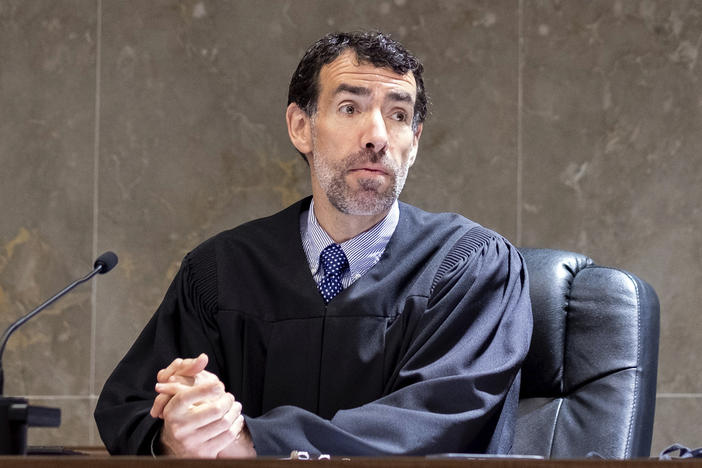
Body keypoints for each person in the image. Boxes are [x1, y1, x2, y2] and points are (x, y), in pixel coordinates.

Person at [95, 30, 533, 458]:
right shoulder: (221, 271)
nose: (377, 135)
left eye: (399, 115)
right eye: (349, 107)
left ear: (414, 143)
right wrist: (182, 432)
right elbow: (130, 409)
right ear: (301, 127)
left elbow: (433, 420)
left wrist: (253, 442)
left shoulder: (472, 267)